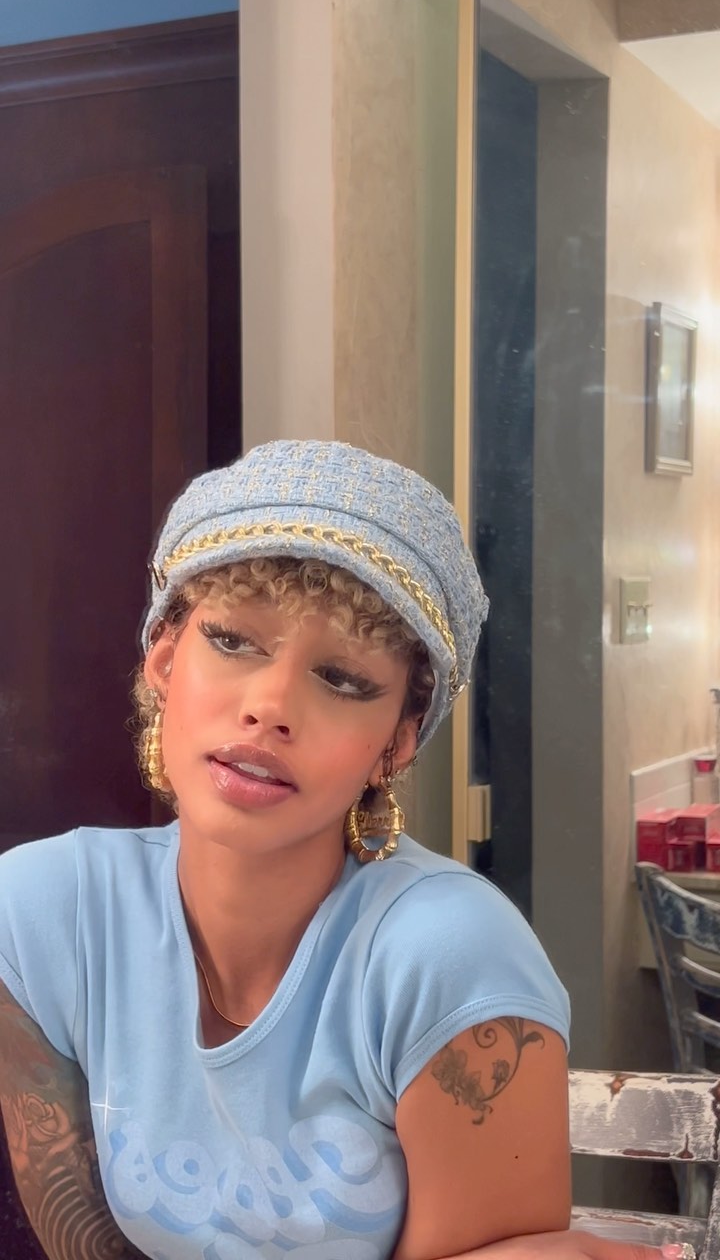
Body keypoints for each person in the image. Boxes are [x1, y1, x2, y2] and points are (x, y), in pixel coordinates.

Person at [0, 439, 689, 1260]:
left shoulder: (450, 955)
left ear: (395, 745)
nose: (270, 706)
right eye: (234, 641)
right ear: (164, 659)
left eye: (343, 680)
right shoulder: (39, 913)